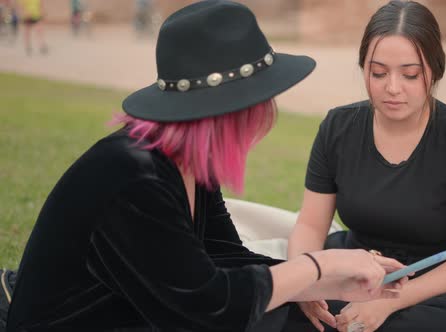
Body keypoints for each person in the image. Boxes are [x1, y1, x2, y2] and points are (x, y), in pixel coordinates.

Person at [3, 1, 409, 331]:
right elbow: (207, 308)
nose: (270, 110)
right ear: (234, 109)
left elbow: (226, 256)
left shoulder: (189, 163)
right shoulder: (130, 176)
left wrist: (327, 280)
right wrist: (319, 266)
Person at [286, 1, 446, 331]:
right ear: (363, 67)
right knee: (281, 300)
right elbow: (309, 225)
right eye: (378, 73)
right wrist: (302, 283)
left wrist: (389, 304)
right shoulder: (337, 127)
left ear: (434, 70)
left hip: (433, 286)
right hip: (353, 276)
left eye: (409, 74)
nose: (392, 88)